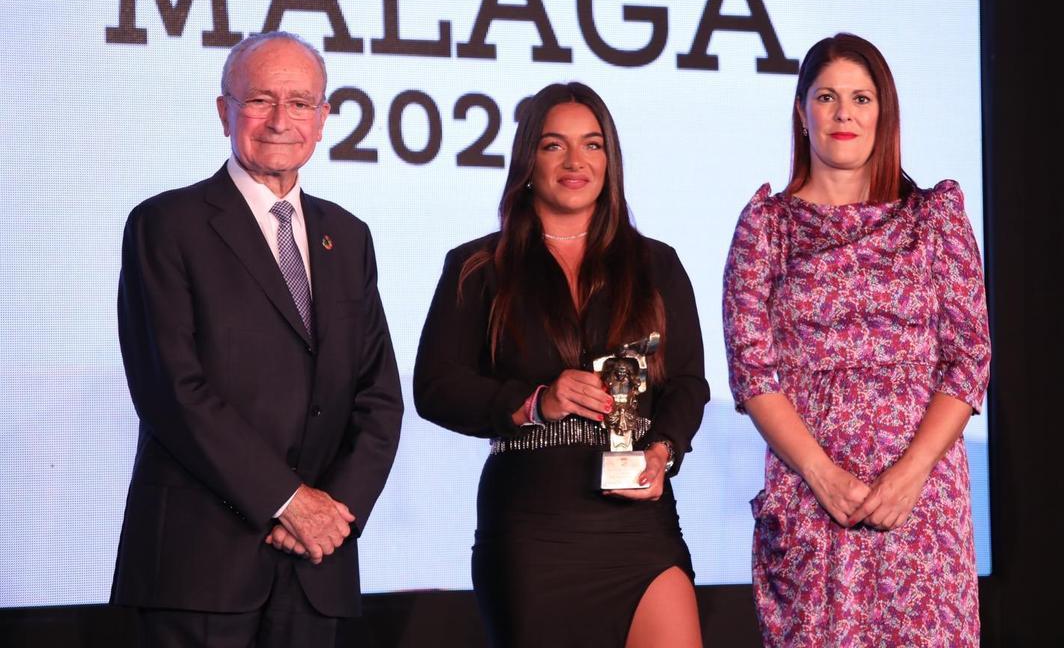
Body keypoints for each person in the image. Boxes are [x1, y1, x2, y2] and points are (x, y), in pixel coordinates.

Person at [112, 31, 404, 647]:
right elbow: (173, 391)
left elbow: (377, 399)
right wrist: (287, 501)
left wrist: (331, 516)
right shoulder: (166, 225)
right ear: (224, 112)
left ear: (324, 120)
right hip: (199, 570)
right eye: (260, 100)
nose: (280, 121)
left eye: (300, 103)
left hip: (315, 569)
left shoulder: (348, 238)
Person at [414, 82, 708, 648]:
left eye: (592, 145)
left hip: (638, 526)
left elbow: (689, 383)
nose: (576, 162)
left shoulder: (656, 264)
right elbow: (435, 387)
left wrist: (663, 451)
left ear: (610, 160)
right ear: (529, 160)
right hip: (532, 528)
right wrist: (533, 402)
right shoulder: (477, 267)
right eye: (554, 146)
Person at [722, 33, 991, 647]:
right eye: (828, 97)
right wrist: (821, 475)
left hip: (920, 508)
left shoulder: (935, 218)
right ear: (802, 111)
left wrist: (911, 473)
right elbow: (752, 373)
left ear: (883, 112)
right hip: (814, 505)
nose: (845, 113)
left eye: (861, 98)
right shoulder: (766, 228)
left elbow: (969, 356)